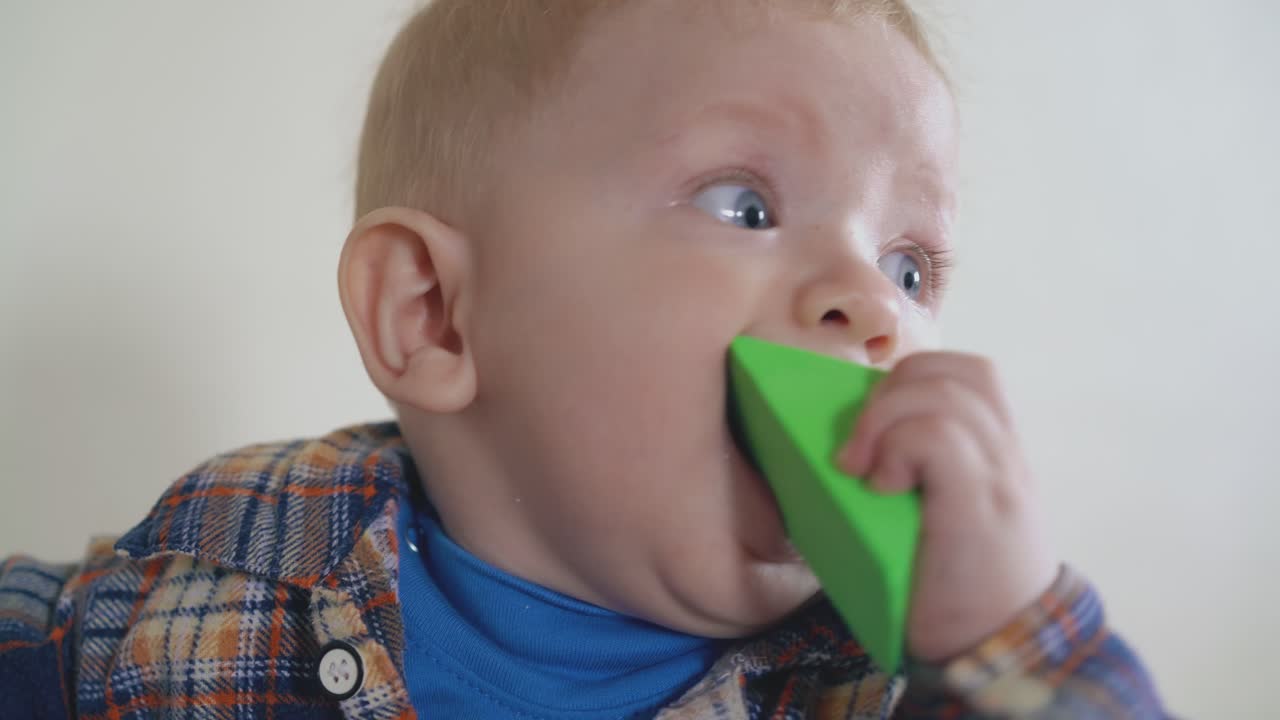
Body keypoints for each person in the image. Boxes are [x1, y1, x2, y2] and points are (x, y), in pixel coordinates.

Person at [0, 1, 1169, 717]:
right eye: (743, 204)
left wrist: (1009, 638)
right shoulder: (220, 573)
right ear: (436, 316)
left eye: (911, 267)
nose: (870, 305)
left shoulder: (880, 686)